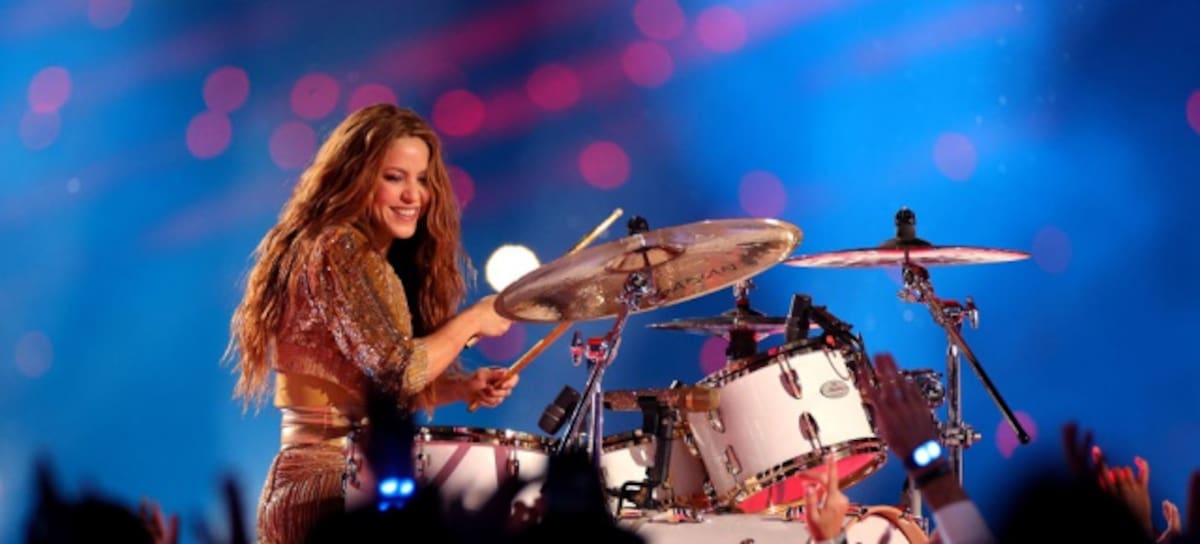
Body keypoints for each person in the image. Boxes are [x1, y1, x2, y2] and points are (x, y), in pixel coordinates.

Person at [223, 104, 518, 544]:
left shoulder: (358, 255)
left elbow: (375, 393)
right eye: (394, 178)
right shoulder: (338, 248)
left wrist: (461, 388)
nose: (413, 195)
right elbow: (399, 372)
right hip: (326, 485)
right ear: (356, 178)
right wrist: (472, 320)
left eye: (423, 180)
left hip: (337, 477)